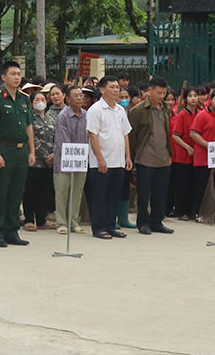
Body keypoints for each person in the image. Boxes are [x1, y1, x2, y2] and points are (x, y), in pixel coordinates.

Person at [0, 60, 35, 248]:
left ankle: (11, 230)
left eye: (19, 74)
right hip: (4, 148)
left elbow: (29, 126)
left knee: (16, 192)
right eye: (13, 74)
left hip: (22, 151)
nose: (17, 77)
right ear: (4, 77)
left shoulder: (24, 99)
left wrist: (32, 151)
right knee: (1, 191)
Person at [85, 76, 133, 240]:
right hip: (101, 161)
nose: (116, 90)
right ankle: (98, 228)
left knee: (114, 195)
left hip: (118, 160)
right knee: (100, 195)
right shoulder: (95, 109)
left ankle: (111, 226)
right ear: (102, 89)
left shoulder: (120, 110)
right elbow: (92, 134)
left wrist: (128, 156)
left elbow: (125, 133)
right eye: (112, 87)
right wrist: (100, 158)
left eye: (117, 87)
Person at [128, 77, 174, 235]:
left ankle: (157, 221)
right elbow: (132, 136)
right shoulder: (138, 111)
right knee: (143, 194)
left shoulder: (166, 109)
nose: (162, 96)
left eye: (164, 93)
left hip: (164, 158)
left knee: (161, 193)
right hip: (145, 158)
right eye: (159, 93)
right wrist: (132, 159)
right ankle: (143, 223)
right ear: (150, 90)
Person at [188, 89, 215, 218]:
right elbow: (193, 133)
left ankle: (212, 212)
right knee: (202, 185)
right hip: (203, 157)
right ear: (210, 100)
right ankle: (198, 213)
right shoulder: (202, 115)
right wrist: (209, 146)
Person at [52, 85, 88, 235]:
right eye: (76, 96)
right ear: (68, 98)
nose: (80, 98)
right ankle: (61, 222)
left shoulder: (87, 114)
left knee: (77, 191)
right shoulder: (63, 116)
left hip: (82, 160)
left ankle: (74, 221)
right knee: (62, 192)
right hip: (63, 160)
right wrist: (74, 154)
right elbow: (62, 140)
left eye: (81, 95)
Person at [23, 81, 56, 232]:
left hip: (49, 163)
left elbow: (57, 138)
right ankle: (29, 219)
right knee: (31, 190)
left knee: (45, 191)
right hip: (34, 161)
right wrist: (44, 155)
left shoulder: (51, 118)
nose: (40, 102)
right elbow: (32, 138)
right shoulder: (29, 118)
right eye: (37, 100)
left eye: (43, 100)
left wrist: (54, 154)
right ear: (31, 104)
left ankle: (42, 219)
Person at [168, 86, 200, 219]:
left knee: (194, 183)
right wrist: (187, 147)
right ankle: (181, 211)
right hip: (182, 154)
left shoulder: (201, 113)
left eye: (195, 95)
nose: (193, 98)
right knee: (182, 184)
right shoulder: (182, 114)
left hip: (198, 154)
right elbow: (175, 135)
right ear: (185, 99)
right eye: (190, 96)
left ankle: (192, 210)